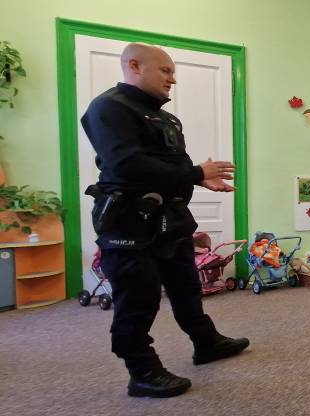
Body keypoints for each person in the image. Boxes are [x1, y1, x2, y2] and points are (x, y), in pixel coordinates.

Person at [81, 43, 249, 398]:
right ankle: (141, 371)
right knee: (138, 299)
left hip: (170, 220)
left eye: (173, 72)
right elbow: (126, 164)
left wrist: (197, 179)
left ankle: (206, 342)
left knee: (186, 287)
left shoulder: (168, 119)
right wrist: (195, 172)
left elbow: (174, 167)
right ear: (134, 66)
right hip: (128, 221)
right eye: (166, 71)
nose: (173, 79)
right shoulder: (108, 107)